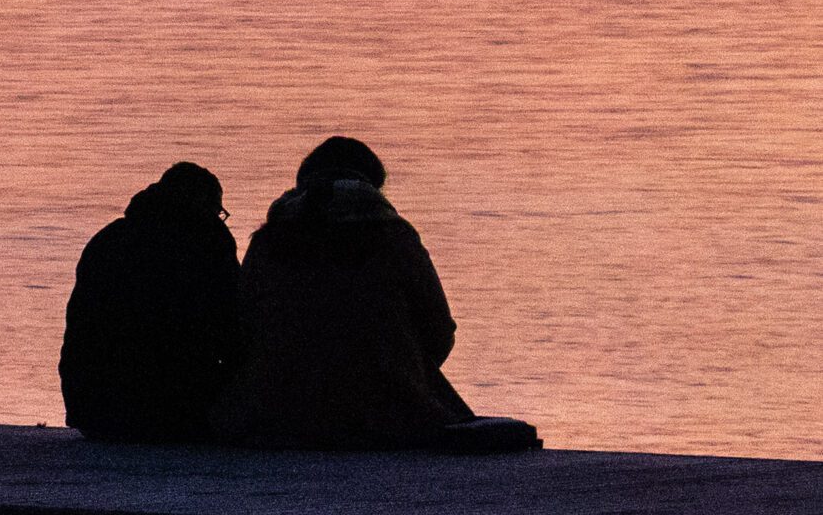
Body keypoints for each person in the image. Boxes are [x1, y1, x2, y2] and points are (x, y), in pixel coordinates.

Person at [211, 137, 538, 451]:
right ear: (372, 186)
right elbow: (440, 333)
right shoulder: (395, 237)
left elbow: (244, 327)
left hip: (277, 414)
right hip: (387, 416)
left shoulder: (269, 240)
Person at [59, 162, 241, 442]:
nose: (219, 219)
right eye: (218, 211)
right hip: (168, 413)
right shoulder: (207, 243)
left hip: (94, 410)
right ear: (204, 206)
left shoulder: (109, 238)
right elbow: (231, 323)